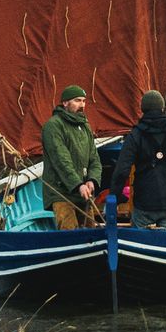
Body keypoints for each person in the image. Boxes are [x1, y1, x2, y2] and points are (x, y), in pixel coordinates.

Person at [109, 90, 166, 232]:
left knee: (140, 241)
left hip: (144, 204)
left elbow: (122, 170)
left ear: (142, 109)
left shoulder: (135, 135)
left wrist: (116, 196)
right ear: (162, 108)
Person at [41, 84, 102, 229]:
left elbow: (94, 157)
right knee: (69, 231)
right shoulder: (53, 126)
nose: (82, 105)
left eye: (83, 101)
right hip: (61, 192)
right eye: (77, 100)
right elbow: (61, 160)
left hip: (83, 192)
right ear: (65, 103)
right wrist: (77, 185)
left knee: (91, 231)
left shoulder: (85, 125)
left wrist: (92, 179)